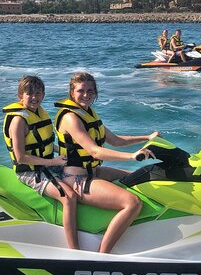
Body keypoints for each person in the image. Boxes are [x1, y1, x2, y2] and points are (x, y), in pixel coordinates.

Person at [54, 72, 158, 253]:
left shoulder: (88, 113)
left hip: (93, 171)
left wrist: (147, 137)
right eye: (81, 91)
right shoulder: (71, 118)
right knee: (132, 202)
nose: (86, 94)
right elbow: (94, 151)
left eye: (90, 90)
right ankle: (103, 255)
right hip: (76, 179)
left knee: (140, 177)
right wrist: (132, 156)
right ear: (72, 92)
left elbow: (116, 140)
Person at [2, 75, 79, 250]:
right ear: (20, 96)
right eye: (30, 94)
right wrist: (53, 162)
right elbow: (21, 156)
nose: (35, 97)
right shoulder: (18, 121)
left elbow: (42, 143)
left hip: (46, 164)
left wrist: (69, 149)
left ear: (43, 95)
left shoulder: (37, 114)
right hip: (29, 171)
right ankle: (75, 250)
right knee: (69, 197)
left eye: (38, 93)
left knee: (84, 172)